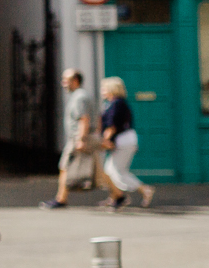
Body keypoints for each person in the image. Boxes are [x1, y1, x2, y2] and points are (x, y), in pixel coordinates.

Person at [43, 68, 99, 209]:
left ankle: (61, 199)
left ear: (75, 81)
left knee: (64, 167)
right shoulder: (80, 96)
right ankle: (118, 195)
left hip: (78, 137)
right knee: (99, 171)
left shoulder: (79, 97)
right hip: (82, 136)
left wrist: (81, 139)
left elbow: (84, 119)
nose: (63, 83)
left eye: (66, 80)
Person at [98, 75, 153, 209]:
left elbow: (112, 126)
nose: (102, 91)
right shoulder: (112, 103)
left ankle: (144, 189)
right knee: (111, 170)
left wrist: (104, 141)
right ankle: (116, 197)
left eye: (104, 88)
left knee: (116, 171)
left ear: (112, 89)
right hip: (124, 141)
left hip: (124, 141)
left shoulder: (116, 104)